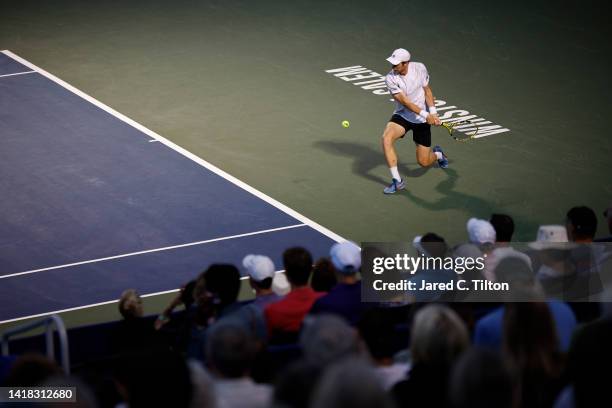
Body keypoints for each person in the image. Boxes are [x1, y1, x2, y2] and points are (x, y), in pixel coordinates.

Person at [381, 48, 446, 194]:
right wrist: (425, 114)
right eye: (392, 64)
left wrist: (433, 113)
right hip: (403, 115)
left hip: (422, 122)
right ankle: (397, 181)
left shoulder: (420, 68)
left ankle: (438, 155)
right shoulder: (390, 78)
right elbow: (405, 102)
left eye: (396, 64)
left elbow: (427, 90)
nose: (393, 67)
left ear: (406, 63)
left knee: (423, 162)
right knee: (386, 138)